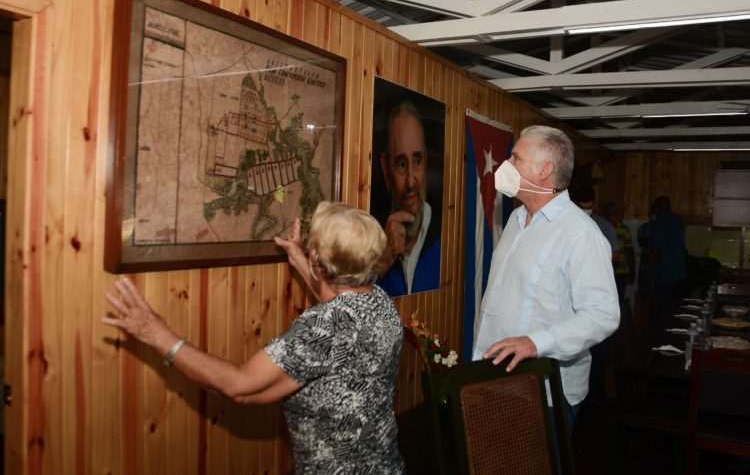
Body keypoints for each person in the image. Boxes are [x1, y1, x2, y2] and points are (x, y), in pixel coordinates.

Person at [103, 202, 406, 474]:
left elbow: (239, 386)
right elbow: (337, 299)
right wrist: (298, 258)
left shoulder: (323, 328)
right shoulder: (380, 302)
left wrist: (157, 334)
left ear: (318, 258)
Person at [472, 125, 620, 421]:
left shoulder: (581, 233)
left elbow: (603, 315)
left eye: (515, 158)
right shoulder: (515, 218)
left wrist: (535, 343)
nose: (506, 166)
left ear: (544, 170)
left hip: (544, 393)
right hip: (494, 380)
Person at [376, 99, 440, 296]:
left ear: (426, 163)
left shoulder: (443, 237)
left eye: (417, 161)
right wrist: (381, 263)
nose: (411, 182)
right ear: (387, 171)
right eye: (402, 165)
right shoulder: (372, 239)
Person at [643, 195, 686, 334]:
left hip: (664, 271)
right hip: (678, 271)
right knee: (674, 307)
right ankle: (672, 334)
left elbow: (656, 248)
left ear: (659, 207)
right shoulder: (678, 221)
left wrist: (647, 267)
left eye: (654, 205)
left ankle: (664, 338)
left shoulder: (660, 223)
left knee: (663, 307)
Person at [602, 201, 636, 311]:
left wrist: (632, 271)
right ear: (605, 214)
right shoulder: (601, 229)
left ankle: (620, 327)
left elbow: (629, 251)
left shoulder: (624, 229)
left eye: (616, 212)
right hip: (605, 273)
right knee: (605, 304)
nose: (614, 214)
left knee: (619, 303)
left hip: (621, 273)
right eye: (611, 212)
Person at [573, 186, 619, 258]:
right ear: (575, 204)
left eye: (589, 208)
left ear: (594, 204)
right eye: (582, 208)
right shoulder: (568, 223)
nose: (586, 211)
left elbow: (614, 253)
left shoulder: (605, 226)